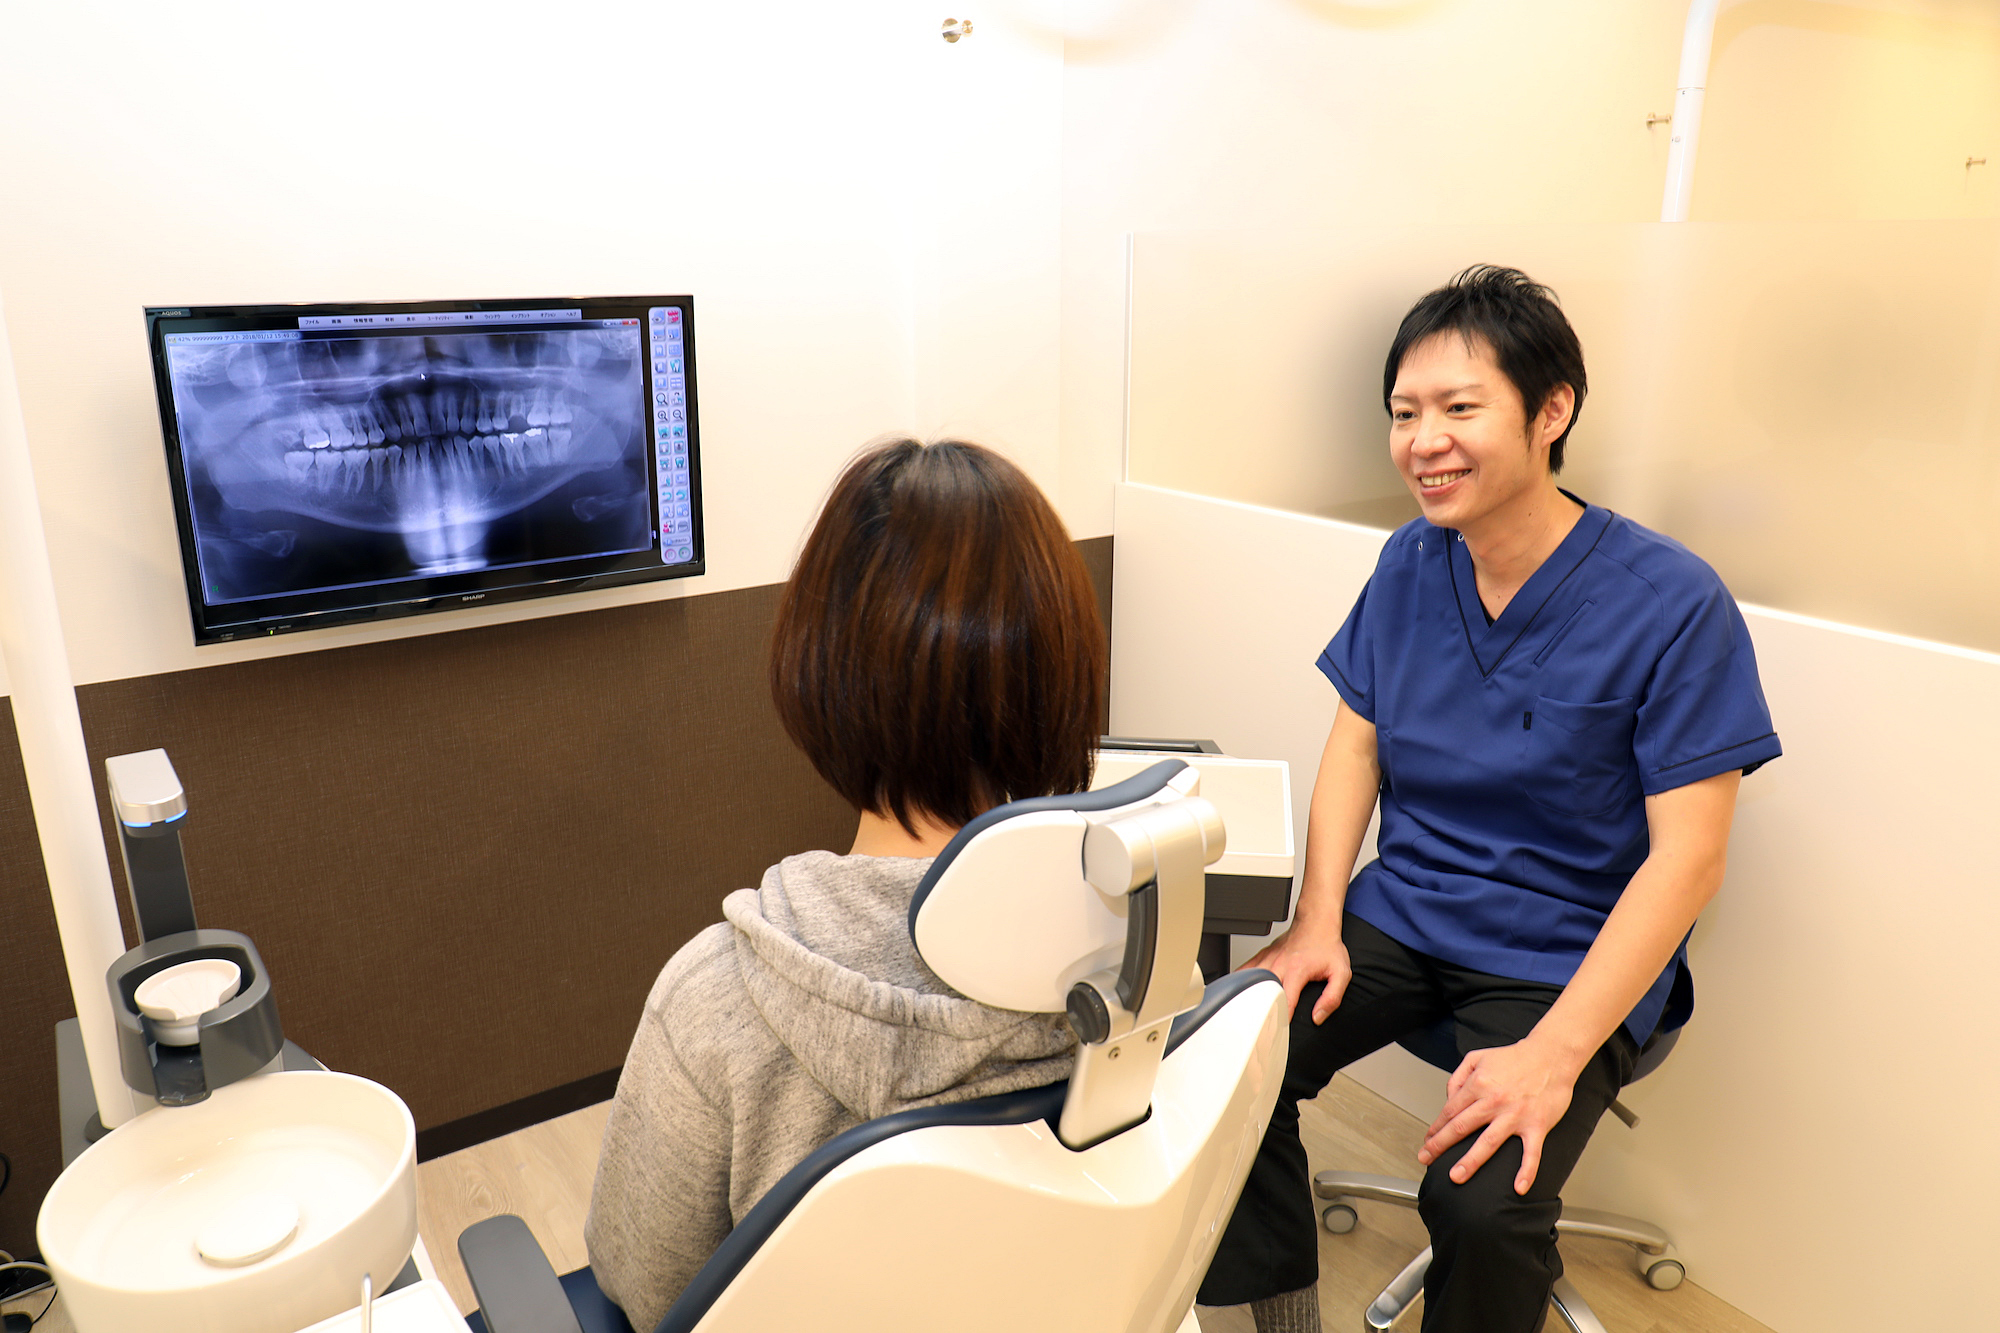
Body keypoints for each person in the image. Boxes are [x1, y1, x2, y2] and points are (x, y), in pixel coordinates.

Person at [1197, 266, 1782, 1333]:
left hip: (1564, 951)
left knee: (1479, 1203)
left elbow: (1687, 858)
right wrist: (1314, 922)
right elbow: (1353, 749)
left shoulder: (1670, 601)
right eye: (1403, 414)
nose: (1424, 440)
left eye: (1459, 408)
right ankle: (1280, 1318)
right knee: (1216, 1063)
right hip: (1404, 912)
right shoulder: (1410, 563)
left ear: (1549, 410)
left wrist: (1552, 1053)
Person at [584, 438, 1104, 1330]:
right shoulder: (1132, 963)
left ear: (822, 671)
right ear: (1062, 670)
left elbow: (644, 1286)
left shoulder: (716, 1004)